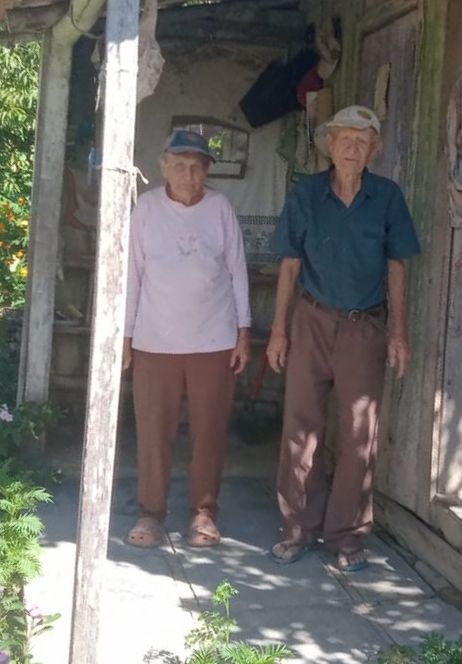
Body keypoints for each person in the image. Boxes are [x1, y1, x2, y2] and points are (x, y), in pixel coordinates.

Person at [265, 105, 420, 572]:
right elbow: (289, 264)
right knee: (300, 428)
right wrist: (277, 330)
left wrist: (399, 333)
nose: (353, 148)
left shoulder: (387, 197)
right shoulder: (307, 194)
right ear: (329, 145)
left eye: (362, 141)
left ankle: (347, 537)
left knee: (358, 433)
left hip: (364, 326)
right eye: (344, 139)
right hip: (311, 321)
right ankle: (298, 529)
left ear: (373, 149)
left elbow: (397, 265)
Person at [123, 129, 251, 548]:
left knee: (209, 429)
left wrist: (243, 332)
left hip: (213, 339)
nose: (188, 175)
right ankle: (151, 512)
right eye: (179, 166)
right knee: (153, 429)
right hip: (154, 340)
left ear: (207, 171)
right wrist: (124, 335)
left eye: (196, 167)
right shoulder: (145, 209)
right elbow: (130, 275)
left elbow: (237, 271)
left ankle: (203, 512)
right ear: (164, 167)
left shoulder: (220, 208)